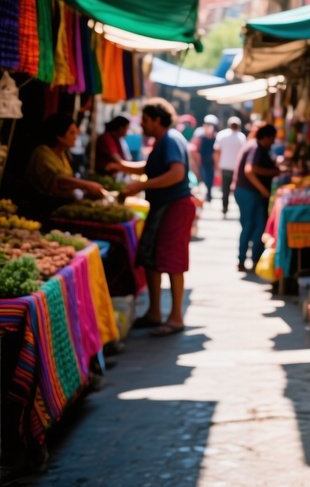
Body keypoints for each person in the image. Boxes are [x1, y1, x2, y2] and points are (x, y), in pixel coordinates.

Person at [119, 98, 195, 336]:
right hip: (163, 205)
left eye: (145, 120)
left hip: (175, 205)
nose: (141, 124)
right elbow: (150, 167)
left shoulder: (170, 140)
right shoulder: (164, 141)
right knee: (151, 257)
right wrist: (120, 166)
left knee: (172, 260)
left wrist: (140, 185)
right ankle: (154, 312)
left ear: (157, 120)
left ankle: (175, 317)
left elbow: (176, 173)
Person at [26, 114, 107, 213]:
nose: (75, 137)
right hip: (43, 209)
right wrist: (87, 185)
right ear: (59, 136)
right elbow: (58, 180)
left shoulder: (63, 153)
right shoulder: (43, 153)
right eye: (71, 133)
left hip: (61, 207)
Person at [232, 123, 280, 272]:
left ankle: (254, 260)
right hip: (249, 192)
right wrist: (263, 190)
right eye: (272, 138)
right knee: (250, 226)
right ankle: (242, 259)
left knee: (257, 226)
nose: (273, 142)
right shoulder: (256, 148)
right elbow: (250, 170)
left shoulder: (255, 146)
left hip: (249, 192)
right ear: (266, 137)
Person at [214, 116, 246, 217]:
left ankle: (225, 206)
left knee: (225, 189)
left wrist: (217, 164)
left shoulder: (222, 135)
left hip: (225, 166)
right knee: (235, 188)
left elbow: (217, 152)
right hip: (235, 167)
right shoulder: (241, 137)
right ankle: (230, 207)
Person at [192, 115, 218, 201]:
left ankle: (209, 193)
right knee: (203, 178)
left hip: (211, 161)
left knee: (209, 178)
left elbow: (216, 151)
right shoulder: (200, 136)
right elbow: (195, 149)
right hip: (202, 161)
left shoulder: (216, 137)